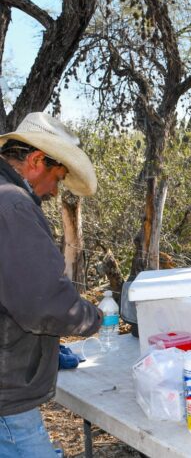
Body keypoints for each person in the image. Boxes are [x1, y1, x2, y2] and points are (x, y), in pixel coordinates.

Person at [0, 112, 102, 457]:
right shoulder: (12, 204)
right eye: (57, 178)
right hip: (5, 393)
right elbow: (42, 302)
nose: (55, 191)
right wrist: (91, 317)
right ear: (35, 161)